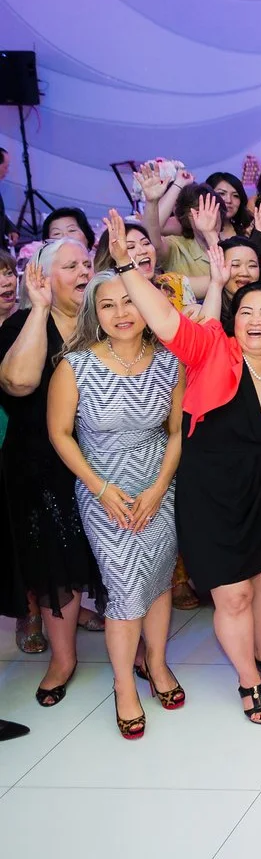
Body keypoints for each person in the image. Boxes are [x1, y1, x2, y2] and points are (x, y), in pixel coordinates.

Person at [108, 210, 261, 726]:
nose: (256, 321)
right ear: (233, 320)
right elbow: (164, 318)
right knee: (234, 592)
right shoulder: (211, 351)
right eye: (246, 313)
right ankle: (247, 678)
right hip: (210, 492)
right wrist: (128, 268)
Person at [46, 270, 185, 738]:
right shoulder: (74, 364)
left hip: (157, 487)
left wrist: (159, 487)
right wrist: (101, 489)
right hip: (103, 492)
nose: (122, 313)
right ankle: (124, 685)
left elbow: (176, 432)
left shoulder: (169, 361)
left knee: (161, 577)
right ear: (94, 313)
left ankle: (158, 665)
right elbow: (59, 435)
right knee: (125, 588)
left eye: (130, 302)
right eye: (108, 305)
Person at [0, 238, 101, 701]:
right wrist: (39, 310)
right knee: (55, 559)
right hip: (40, 463)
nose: (83, 271)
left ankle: (139, 646)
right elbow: (19, 383)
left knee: (115, 556)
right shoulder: (23, 323)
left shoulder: (105, 318)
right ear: (42, 277)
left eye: (87, 262)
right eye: (70, 266)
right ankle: (64, 659)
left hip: (102, 457)